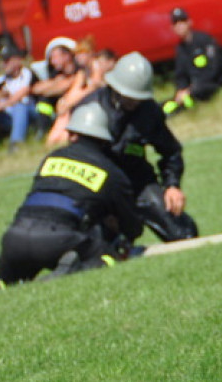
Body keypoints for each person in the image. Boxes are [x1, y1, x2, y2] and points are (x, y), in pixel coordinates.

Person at [0, 101, 143, 299]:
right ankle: (71, 271)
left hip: (16, 236)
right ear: (106, 140)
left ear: (72, 134)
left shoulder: (51, 158)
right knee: (109, 256)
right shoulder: (111, 172)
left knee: (2, 280)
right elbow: (132, 227)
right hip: (59, 241)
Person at [78, 51, 199, 242]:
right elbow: (77, 156)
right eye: (130, 97)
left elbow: (171, 151)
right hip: (99, 186)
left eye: (138, 98)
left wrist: (172, 185)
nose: (134, 102)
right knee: (97, 242)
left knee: (183, 232)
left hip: (137, 183)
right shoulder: (92, 108)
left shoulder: (149, 111)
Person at [165, 7, 222, 115]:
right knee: (166, 105)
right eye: (176, 23)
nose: (179, 26)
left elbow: (214, 69)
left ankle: (190, 109)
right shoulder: (180, 49)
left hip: (211, 83)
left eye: (182, 22)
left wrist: (191, 89)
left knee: (193, 95)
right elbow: (180, 75)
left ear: (189, 22)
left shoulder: (205, 41)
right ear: (172, 28)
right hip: (192, 89)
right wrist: (181, 90)